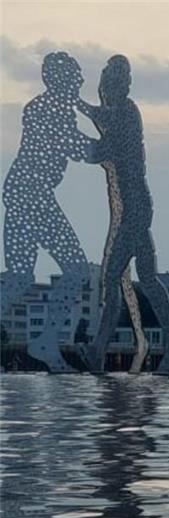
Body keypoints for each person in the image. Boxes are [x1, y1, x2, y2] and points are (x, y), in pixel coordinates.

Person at [82, 55, 169, 375]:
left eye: (107, 84)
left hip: (135, 210)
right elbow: (102, 124)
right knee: (147, 277)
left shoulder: (125, 113)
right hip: (138, 207)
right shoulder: (120, 113)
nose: (104, 90)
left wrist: (74, 107)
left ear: (116, 85)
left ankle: (99, 350)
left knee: (112, 276)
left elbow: (99, 150)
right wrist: (80, 107)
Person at [1, 52, 96, 373]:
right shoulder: (46, 109)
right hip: (32, 196)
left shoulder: (55, 109)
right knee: (76, 270)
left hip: (24, 194)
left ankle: (48, 345)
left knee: (19, 279)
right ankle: (47, 341)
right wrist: (115, 146)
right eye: (76, 76)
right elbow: (77, 147)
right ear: (60, 79)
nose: (81, 82)